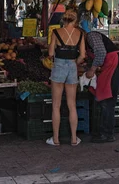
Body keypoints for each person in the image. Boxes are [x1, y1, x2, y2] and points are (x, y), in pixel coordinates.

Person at [46, 9, 85, 147]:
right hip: (72, 68)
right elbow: (82, 55)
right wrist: (75, 62)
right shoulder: (80, 34)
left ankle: (56, 139)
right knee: (71, 104)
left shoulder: (56, 33)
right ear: (75, 21)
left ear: (63, 19)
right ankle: (74, 138)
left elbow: (50, 53)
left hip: (59, 66)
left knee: (56, 105)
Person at [84, 31, 119, 143]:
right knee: (103, 99)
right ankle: (103, 131)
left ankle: (107, 134)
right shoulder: (86, 43)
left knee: (107, 100)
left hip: (117, 68)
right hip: (110, 68)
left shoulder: (91, 36)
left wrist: (92, 69)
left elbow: (100, 53)